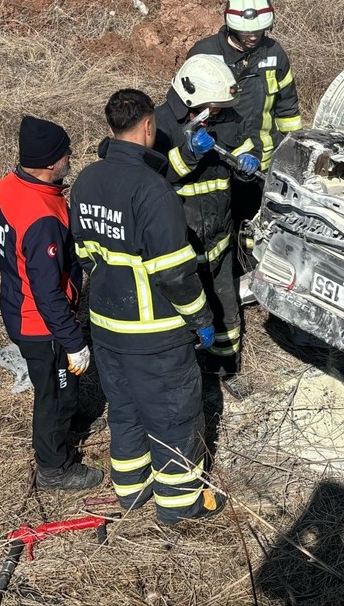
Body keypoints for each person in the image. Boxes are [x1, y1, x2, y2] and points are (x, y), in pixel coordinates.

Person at [70, 89, 226, 525]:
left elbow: (84, 253)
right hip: (154, 332)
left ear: (110, 128)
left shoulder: (86, 180)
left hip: (104, 325)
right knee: (172, 414)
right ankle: (181, 508)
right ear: (148, 126)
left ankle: (132, 493)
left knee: (124, 409)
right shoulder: (152, 191)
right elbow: (175, 273)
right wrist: (201, 318)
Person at [0, 116, 102, 491]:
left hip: (15, 303)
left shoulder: (8, 187)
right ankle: (54, 467)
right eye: (65, 153)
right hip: (41, 323)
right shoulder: (43, 218)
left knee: (56, 386)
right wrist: (72, 341)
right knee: (53, 393)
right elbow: (47, 292)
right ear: (51, 161)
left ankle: (68, 421)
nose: (71, 156)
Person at [154, 55, 259, 399]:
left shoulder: (227, 118)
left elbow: (245, 148)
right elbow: (153, 178)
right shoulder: (160, 125)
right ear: (190, 98)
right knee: (184, 312)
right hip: (182, 244)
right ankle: (188, 373)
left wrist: (247, 164)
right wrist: (187, 154)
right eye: (211, 106)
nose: (217, 111)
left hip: (219, 237)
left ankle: (226, 370)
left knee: (226, 306)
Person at [187, 0, 302, 174]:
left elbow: (288, 108)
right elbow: (186, 107)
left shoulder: (274, 53)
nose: (254, 37)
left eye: (259, 31)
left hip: (262, 162)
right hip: (217, 159)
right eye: (246, 32)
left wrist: (295, 150)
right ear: (232, 27)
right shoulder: (205, 53)